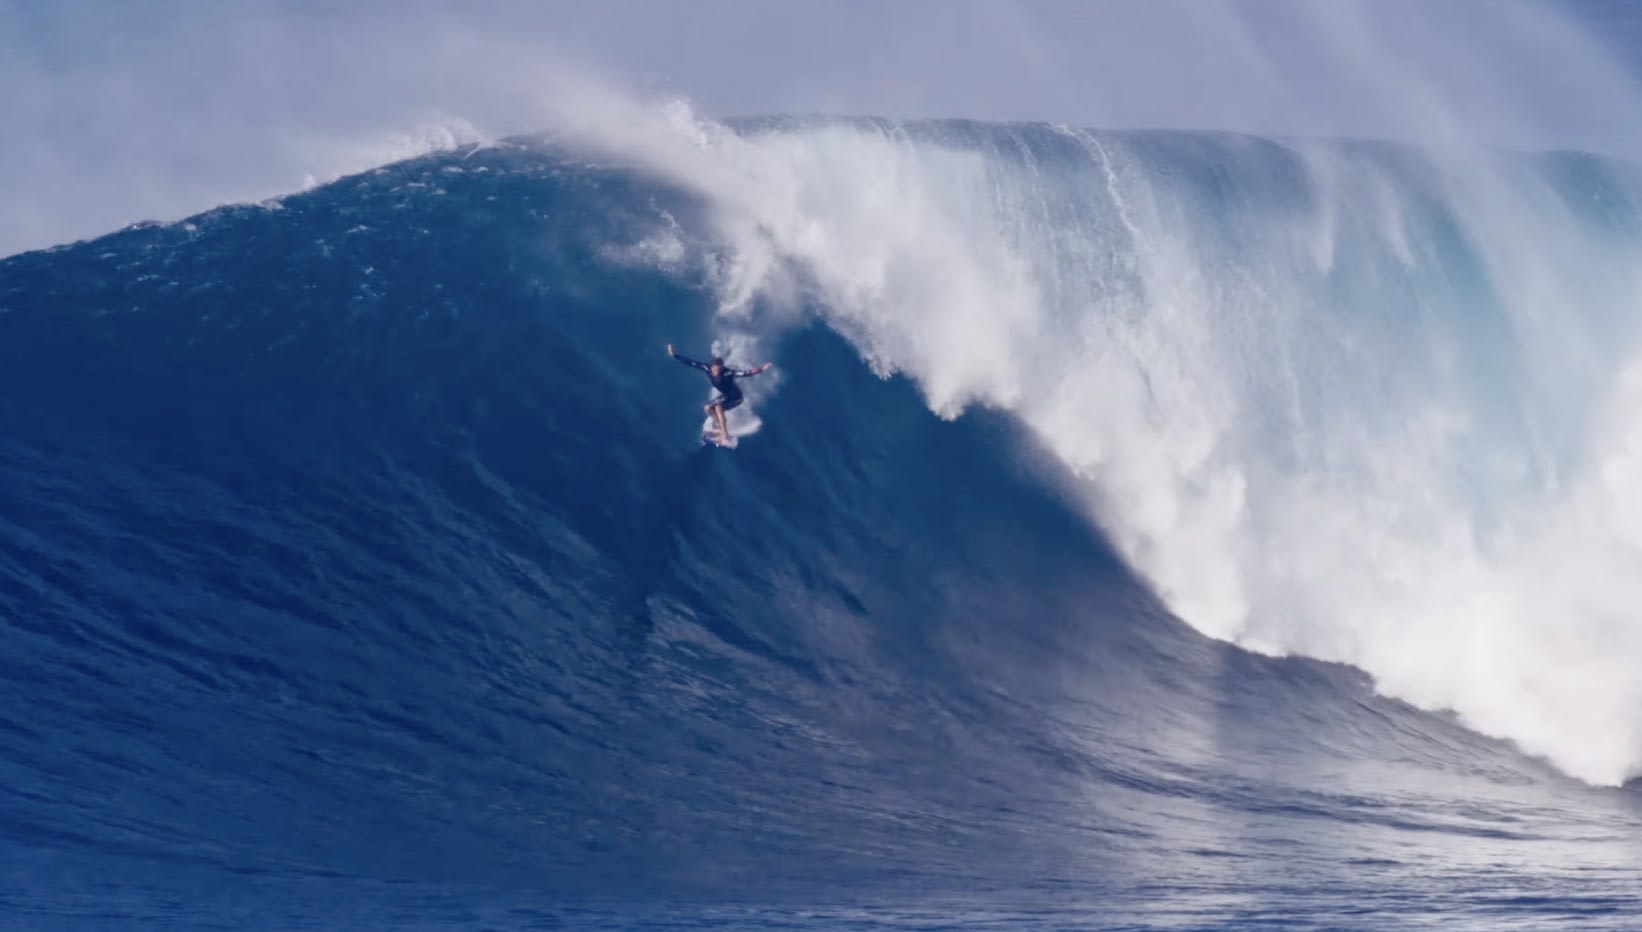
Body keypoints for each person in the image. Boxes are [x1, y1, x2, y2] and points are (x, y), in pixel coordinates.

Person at [667, 344, 772, 444]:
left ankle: (725, 435)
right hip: (726, 396)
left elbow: (745, 373)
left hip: (736, 397)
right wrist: (675, 355)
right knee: (707, 408)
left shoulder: (728, 373)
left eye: (719, 369)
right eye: (715, 369)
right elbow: (691, 363)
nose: (717, 371)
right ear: (711, 367)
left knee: (718, 408)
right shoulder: (706, 368)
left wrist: (761, 369)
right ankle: (719, 425)